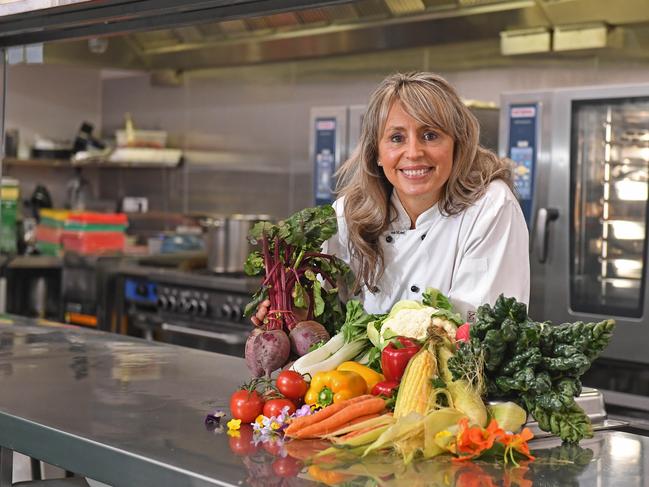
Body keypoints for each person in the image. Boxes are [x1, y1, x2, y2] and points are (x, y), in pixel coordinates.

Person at [253, 71, 529, 325]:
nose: (413, 152)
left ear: (458, 144)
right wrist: (292, 314)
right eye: (396, 138)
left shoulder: (489, 206)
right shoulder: (349, 212)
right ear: (377, 153)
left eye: (430, 135)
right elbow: (318, 305)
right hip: (358, 378)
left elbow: (483, 331)